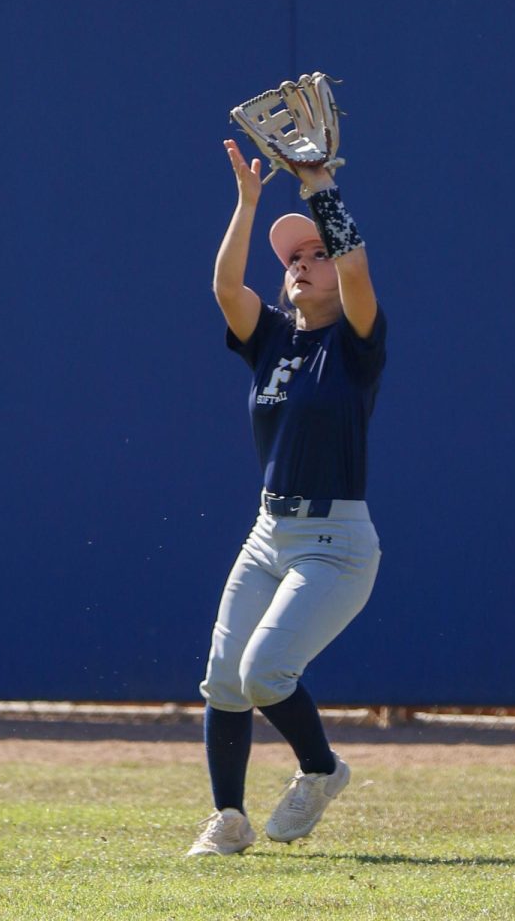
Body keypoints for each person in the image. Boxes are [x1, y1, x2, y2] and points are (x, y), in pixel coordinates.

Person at [186, 137, 386, 857]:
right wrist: (246, 204)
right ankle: (229, 818)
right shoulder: (271, 337)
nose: (300, 264)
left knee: (266, 673)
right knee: (223, 681)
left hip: (335, 546)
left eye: (313, 256)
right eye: (292, 259)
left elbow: (356, 265)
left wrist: (318, 185)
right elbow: (224, 287)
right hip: (268, 536)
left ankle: (322, 769)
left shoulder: (356, 345)